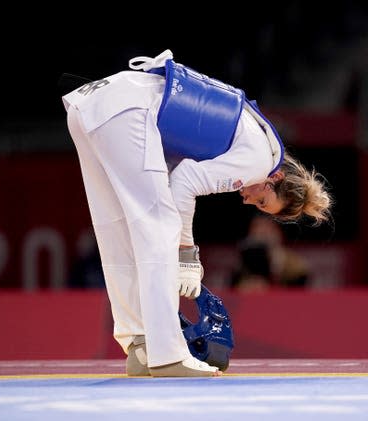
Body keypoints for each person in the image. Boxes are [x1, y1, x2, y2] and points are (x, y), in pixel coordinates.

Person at [62, 49, 332, 377]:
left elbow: (179, 169)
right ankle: (167, 354)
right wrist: (187, 254)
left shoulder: (253, 134)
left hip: (93, 104)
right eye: (262, 200)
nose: (248, 201)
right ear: (275, 177)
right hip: (128, 110)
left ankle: (140, 344)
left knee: (116, 228)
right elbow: (185, 182)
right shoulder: (261, 161)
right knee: (159, 227)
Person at [231, 213, 310, 291]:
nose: (262, 233)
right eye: (257, 228)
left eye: (268, 227)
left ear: (278, 232)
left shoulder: (294, 263)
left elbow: (300, 289)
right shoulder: (241, 263)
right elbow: (232, 290)